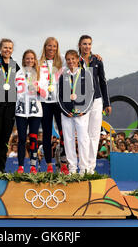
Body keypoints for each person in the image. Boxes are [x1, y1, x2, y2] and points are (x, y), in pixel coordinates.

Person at [78, 35, 111, 174]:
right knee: (82, 135)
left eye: (89, 44)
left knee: (94, 134)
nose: (87, 46)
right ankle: (82, 167)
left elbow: (103, 82)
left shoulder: (97, 60)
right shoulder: (75, 60)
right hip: (81, 101)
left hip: (97, 100)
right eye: (84, 44)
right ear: (79, 45)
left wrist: (106, 103)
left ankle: (91, 168)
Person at [58, 49, 94, 175]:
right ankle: (72, 168)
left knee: (83, 140)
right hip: (67, 114)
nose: (71, 61)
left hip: (81, 113)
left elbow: (91, 94)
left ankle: (84, 169)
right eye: (68, 59)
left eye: (73, 59)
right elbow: (59, 96)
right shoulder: (63, 76)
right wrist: (65, 111)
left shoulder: (86, 74)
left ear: (78, 60)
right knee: (68, 140)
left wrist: (84, 111)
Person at [0, 38, 20, 173]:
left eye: (10, 48)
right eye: (5, 47)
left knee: (4, 140)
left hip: (10, 107)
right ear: (0, 48)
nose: (7, 50)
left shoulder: (15, 66)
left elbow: (20, 86)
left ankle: (0, 168)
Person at [37, 37, 68, 173]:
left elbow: (78, 59)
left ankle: (63, 161)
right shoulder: (39, 62)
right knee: (47, 133)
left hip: (59, 102)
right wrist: (38, 90)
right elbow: (33, 80)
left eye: (54, 46)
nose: (51, 48)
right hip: (45, 102)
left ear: (57, 47)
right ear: (45, 47)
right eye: (49, 46)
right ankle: (49, 163)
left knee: (63, 132)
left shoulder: (62, 60)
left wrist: (94, 56)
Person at [14, 49, 43, 174]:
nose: (30, 60)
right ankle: (20, 166)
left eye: (32, 58)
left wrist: (38, 89)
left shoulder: (39, 74)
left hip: (35, 111)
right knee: (21, 139)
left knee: (33, 139)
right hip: (20, 110)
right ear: (23, 60)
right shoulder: (18, 73)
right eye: (27, 58)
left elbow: (46, 94)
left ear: (35, 60)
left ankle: (32, 166)